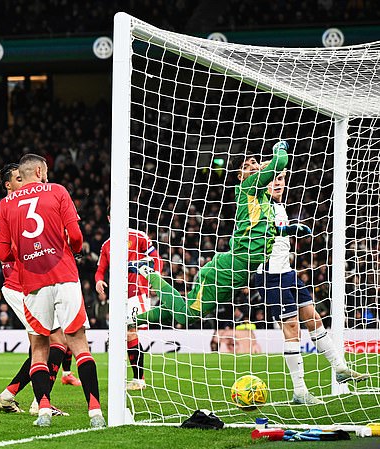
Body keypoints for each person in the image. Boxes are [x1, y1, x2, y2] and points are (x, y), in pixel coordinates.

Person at [0, 154, 105, 428]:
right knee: (77, 343)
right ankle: (95, 412)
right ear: (41, 170)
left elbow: (3, 253)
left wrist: (27, 255)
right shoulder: (57, 190)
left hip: (30, 283)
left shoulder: (6, 204)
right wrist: (74, 251)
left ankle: (42, 408)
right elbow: (76, 237)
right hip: (63, 275)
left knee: (40, 347)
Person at [133, 141, 290, 326]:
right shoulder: (249, 187)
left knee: (183, 311)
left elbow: (264, 229)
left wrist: (289, 229)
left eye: (254, 162)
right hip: (230, 268)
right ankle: (149, 272)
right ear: (240, 176)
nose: (252, 167)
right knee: (187, 317)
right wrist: (279, 148)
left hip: (237, 270)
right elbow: (281, 161)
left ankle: (131, 320)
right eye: (245, 166)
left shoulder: (262, 197)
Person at [254, 170, 370, 405]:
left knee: (314, 317)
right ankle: (300, 391)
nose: (277, 183)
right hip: (270, 275)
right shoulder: (260, 204)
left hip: (287, 272)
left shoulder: (280, 206)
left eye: (281, 179)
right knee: (292, 327)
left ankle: (339, 368)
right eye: (272, 180)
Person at [0, 163, 74, 416]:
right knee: (55, 342)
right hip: (21, 286)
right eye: (18, 178)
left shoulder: (20, 206)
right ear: (8, 185)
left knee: (45, 345)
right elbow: (6, 252)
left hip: (31, 284)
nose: (24, 181)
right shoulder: (10, 207)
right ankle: (40, 401)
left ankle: (9, 396)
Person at [95, 217, 162, 390]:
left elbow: (156, 258)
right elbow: (100, 270)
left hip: (137, 292)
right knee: (121, 335)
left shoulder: (138, 236)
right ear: (109, 218)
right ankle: (133, 378)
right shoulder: (107, 245)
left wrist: (157, 279)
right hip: (118, 296)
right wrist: (98, 281)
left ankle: (139, 380)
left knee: (130, 332)